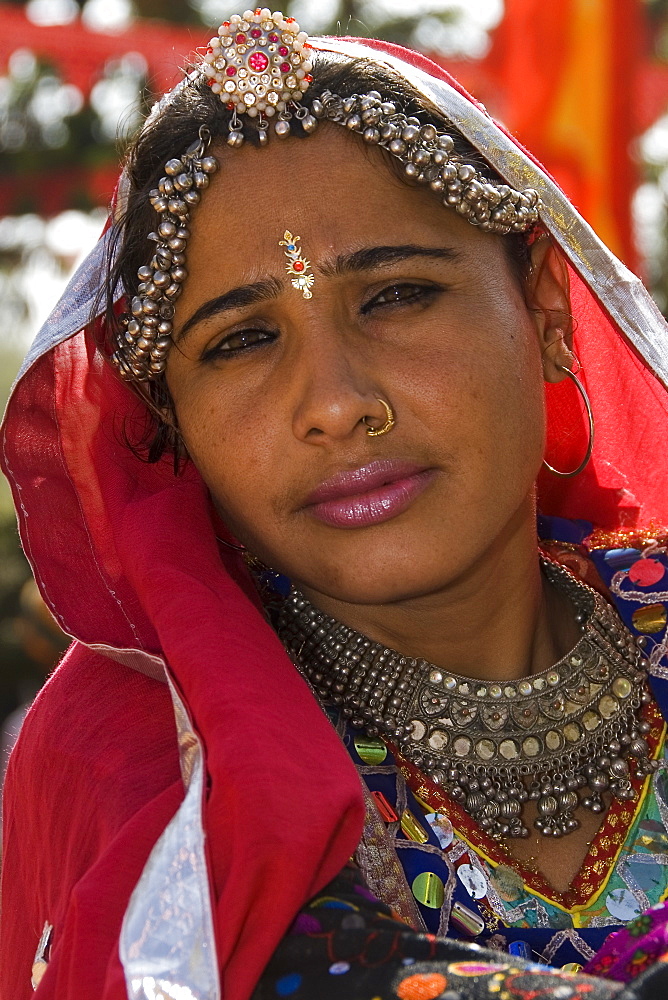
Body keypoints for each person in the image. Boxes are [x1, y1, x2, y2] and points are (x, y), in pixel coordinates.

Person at [2, 9, 668, 1000]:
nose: (335, 404)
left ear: (539, 305)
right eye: (238, 343)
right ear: (170, 422)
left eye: (395, 295)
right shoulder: (151, 765)